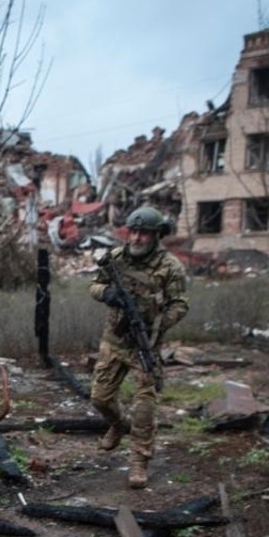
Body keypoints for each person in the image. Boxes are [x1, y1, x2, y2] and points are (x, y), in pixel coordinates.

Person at [88, 206, 189, 489]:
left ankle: (139, 461)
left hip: (145, 345)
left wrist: (157, 323)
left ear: (156, 235)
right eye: (132, 231)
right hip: (113, 341)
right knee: (99, 397)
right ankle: (117, 425)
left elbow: (180, 304)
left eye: (143, 233)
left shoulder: (170, 267)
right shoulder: (117, 259)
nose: (136, 238)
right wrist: (107, 293)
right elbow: (95, 285)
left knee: (144, 407)